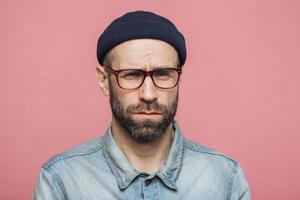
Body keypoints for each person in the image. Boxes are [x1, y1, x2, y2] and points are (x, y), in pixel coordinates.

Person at [33, 11, 250, 200]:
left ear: (179, 79)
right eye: (131, 75)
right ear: (103, 81)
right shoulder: (61, 181)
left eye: (163, 74)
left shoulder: (225, 177)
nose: (148, 94)